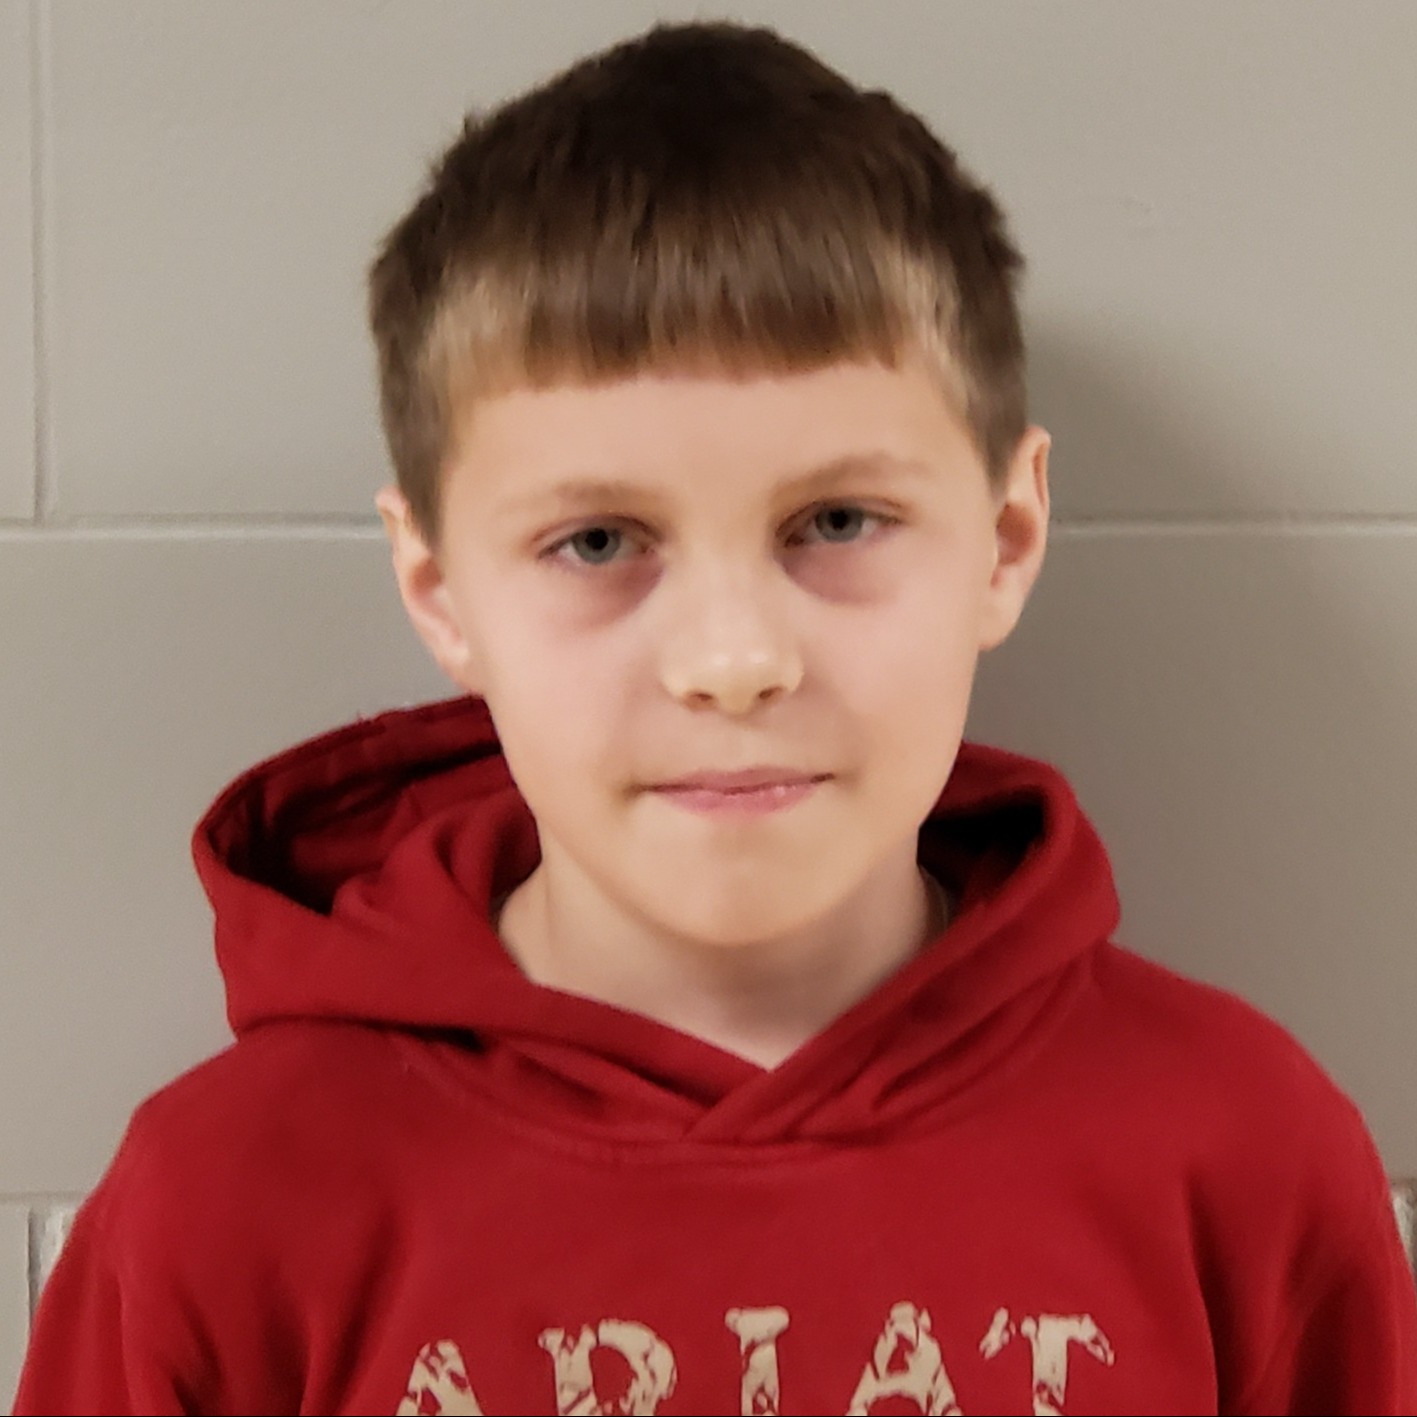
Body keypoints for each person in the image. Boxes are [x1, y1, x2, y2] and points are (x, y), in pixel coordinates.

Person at [13, 20, 1416, 1417]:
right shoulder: (228, 1210)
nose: (733, 662)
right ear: (439, 590)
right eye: (597, 542)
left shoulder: (1242, 1164)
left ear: (1003, 538)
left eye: (837, 521)